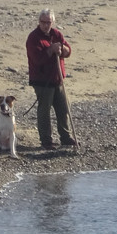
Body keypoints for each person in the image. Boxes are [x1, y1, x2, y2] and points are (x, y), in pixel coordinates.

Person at [26, 8, 76, 150]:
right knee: (44, 111)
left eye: (48, 22)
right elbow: (37, 59)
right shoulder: (33, 37)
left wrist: (64, 50)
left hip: (57, 79)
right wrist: (50, 50)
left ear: (52, 22)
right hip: (42, 81)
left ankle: (65, 137)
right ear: (39, 22)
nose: (46, 25)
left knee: (63, 108)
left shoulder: (56, 34)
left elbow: (68, 50)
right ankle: (46, 141)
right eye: (43, 22)